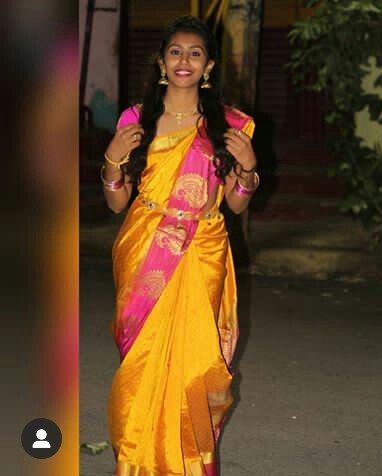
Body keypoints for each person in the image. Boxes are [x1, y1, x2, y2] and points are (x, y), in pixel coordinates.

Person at [102, 15, 258, 476]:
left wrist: (248, 168)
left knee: (194, 363)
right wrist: (112, 159)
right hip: (145, 246)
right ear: (161, 62)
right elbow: (116, 203)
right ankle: (137, 462)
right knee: (145, 361)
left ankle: (189, 463)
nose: (184, 60)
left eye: (195, 53)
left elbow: (235, 202)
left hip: (203, 249)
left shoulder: (232, 125)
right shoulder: (135, 120)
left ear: (208, 66)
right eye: (175, 51)